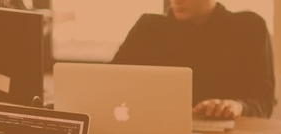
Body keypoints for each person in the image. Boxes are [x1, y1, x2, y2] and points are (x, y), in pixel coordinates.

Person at [111, 0, 276, 119]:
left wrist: (238, 106)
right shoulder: (148, 27)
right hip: (155, 133)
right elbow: (110, 83)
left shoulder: (249, 27)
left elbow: (264, 102)